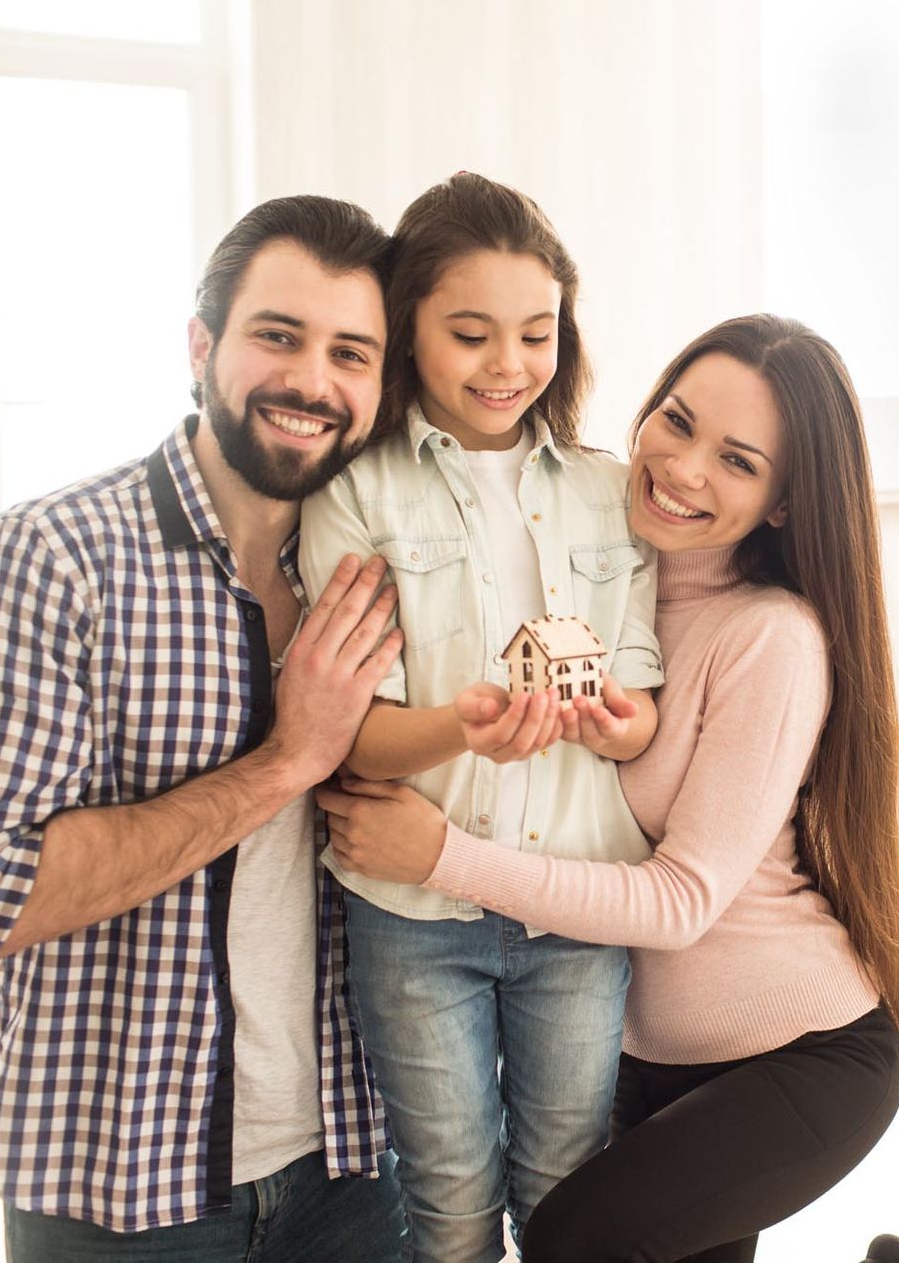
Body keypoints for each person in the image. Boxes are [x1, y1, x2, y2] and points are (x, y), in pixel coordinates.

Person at [321, 314, 899, 1262]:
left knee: (571, 1241)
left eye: (738, 460)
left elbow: (682, 901)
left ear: (781, 502)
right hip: (650, 1059)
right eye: (677, 423)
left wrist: (441, 857)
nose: (684, 469)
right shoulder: (602, 583)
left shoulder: (771, 636)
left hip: (798, 1056)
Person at [0, 196, 409, 1259]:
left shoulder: (383, 577)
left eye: (350, 353)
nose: (312, 381)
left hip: (361, 1165)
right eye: (278, 335)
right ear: (202, 345)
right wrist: (289, 760)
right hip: (123, 1185)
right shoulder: (53, 556)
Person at [296, 171, 664, 1262]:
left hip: (579, 912)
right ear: (410, 328)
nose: (508, 365)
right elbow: (347, 736)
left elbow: (640, 711)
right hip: (413, 913)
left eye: (536, 333)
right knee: (449, 1199)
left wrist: (615, 723)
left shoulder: (609, 490)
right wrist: (463, 723)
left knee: (566, 1186)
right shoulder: (359, 493)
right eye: (470, 333)